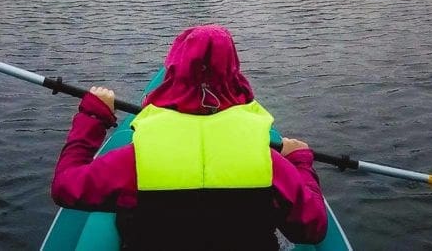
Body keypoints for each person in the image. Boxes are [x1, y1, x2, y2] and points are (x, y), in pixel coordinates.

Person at [51, 24, 328, 250]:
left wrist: (93, 117)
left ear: (173, 73)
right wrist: (300, 163)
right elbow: (313, 228)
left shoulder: (133, 162)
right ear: (234, 76)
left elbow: (65, 186)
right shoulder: (270, 165)